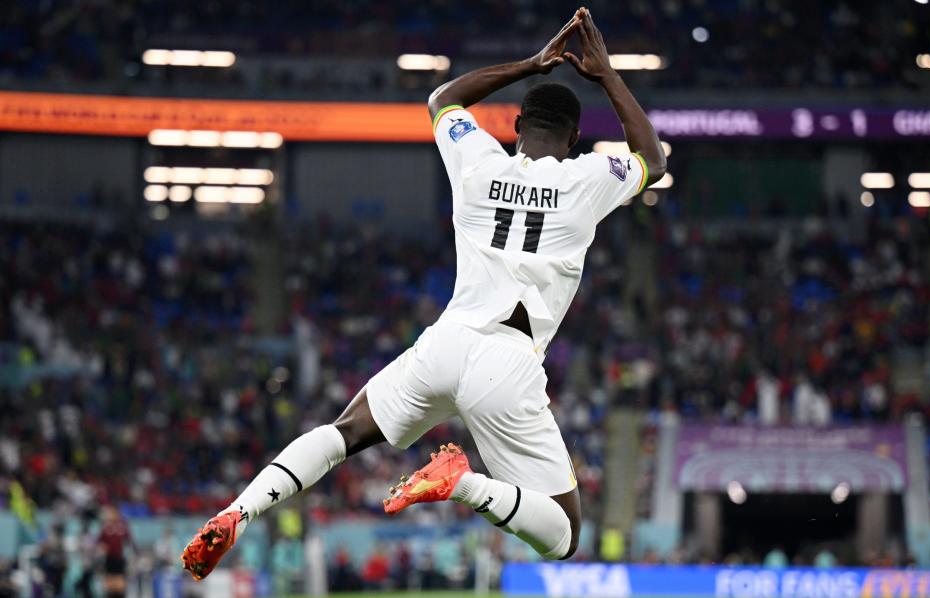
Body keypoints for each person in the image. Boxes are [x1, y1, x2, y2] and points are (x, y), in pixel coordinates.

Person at [181, 6, 666, 580]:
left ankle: (240, 509)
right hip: (508, 362)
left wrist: (530, 63)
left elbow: (443, 99)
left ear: (515, 129)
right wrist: (606, 74)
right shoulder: (585, 179)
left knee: (343, 435)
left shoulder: (478, 162)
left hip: (448, 340)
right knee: (563, 535)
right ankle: (461, 483)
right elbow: (652, 160)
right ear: (576, 137)